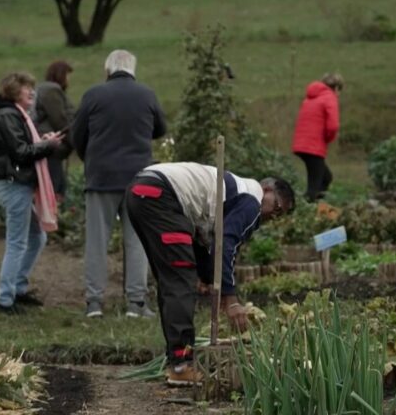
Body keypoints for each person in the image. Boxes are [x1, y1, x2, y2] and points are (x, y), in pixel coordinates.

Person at [124, 162, 295, 386]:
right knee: (179, 282)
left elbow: (207, 247)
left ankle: (176, 361)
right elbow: (226, 245)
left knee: (172, 280)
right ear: (267, 191)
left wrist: (207, 278)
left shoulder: (230, 196)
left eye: (280, 215)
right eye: (278, 208)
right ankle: (181, 366)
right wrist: (231, 301)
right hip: (162, 196)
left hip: (143, 192)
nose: (274, 216)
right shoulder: (252, 199)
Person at [72, 49, 167, 318]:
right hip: (138, 179)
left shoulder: (93, 95)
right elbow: (160, 129)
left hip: (101, 178)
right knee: (137, 240)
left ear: (108, 69)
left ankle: (94, 303)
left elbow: (78, 134)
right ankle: (136, 303)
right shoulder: (146, 94)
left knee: (96, 242)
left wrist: (90, 158)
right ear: (133, 69)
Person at [0, 72, 65, 315]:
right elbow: (21, 152)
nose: (32, 92)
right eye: (26, 89)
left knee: (36, 237)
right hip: (13, 184)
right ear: (13, 93)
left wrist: (42, 141)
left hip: (16, 183)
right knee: (17, 242)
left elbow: (21, 147)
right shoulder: (9, 116)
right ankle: (5, 299)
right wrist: (48, 146)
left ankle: (17, 287)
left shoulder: (14, 115)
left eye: (32, 88)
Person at [291, 73, 343, 202]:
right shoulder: (329, 97)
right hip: (313, 146)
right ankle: (305, 209)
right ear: (336, 88)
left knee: (326, 178)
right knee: (314, 186)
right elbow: (333, 126)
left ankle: (318, 207)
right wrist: (328, 139)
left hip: (301, 145)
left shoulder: (310, 98)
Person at [32, 60, 75, 199]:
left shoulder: (44, 89)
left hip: (49, 146)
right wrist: (73, 140)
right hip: (52, 147)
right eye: (67, 75)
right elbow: (59, 119)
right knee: (55, 190)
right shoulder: (52, 90)